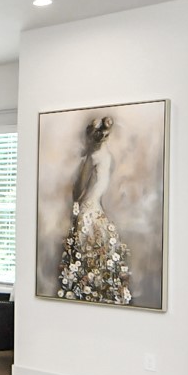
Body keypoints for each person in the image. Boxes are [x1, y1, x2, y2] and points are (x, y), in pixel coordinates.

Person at [56, 116, 133, 305]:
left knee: (91, 258)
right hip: (94, 210)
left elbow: (78, 191)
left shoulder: (94, 157)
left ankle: (94, 294)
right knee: (94, 257)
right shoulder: (106, 157)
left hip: (90, 211)